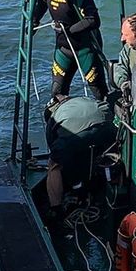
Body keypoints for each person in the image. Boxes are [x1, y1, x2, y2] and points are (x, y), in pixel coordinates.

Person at [31, 0, 108, 102]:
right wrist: (34, 21)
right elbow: (42, 1)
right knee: (57, 92)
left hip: (85, 48)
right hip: (63, 48)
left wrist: (68, 30)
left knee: (99, 92)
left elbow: (93, 20)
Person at [41, 94, 116, 232]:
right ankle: (109, 186)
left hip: (76, 135)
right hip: (107, 125)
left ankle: (56, 210)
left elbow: (57, 156)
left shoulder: (53, 117)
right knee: (105, 152)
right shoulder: (82, 99)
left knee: (54, 166)